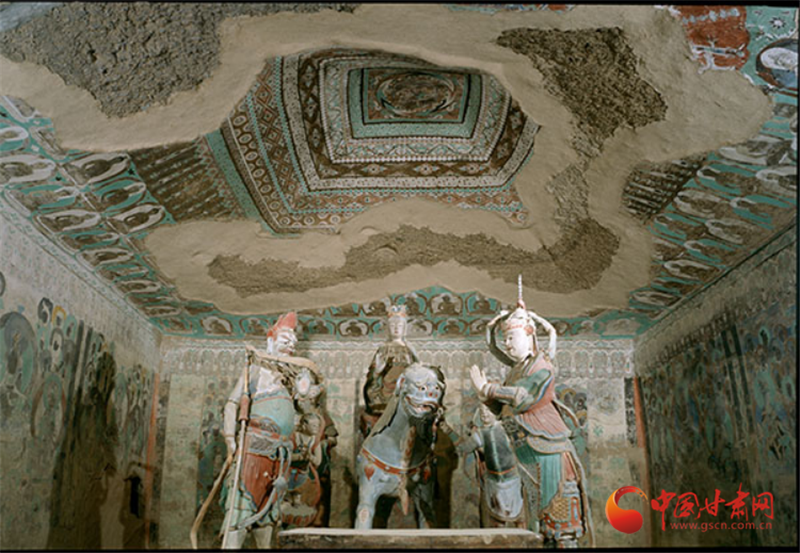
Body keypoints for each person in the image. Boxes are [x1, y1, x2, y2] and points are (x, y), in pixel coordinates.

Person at [468, 278, 594, 548]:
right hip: (522, 445)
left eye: (511, 337)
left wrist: (489, 389)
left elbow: (524, 398)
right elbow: (505, 409)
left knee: (556, 524)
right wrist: (486, 400)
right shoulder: (516, 371)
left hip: (546, 447)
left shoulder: (541, 366)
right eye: (505, 338)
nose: (507, 344)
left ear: (529, 337)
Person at [219, 312, 318, 549]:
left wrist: (306, 393)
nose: (291, 344)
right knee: (241, 510)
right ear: (271, 340)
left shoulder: (289, 378)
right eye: (285, 339)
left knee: (268, 515)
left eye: (293, 341)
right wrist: (230, 439)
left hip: (281, 456)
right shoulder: (255, 370)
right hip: (254, 451)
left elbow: (304, 410)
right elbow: (232, 403)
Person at [360, 305, 419, 437]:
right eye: (393, 325)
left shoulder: (409, 349)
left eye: (399, 325)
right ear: (388, 328)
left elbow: (417, 369)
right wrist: (377, 370)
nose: (396, 328)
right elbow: (373, 374)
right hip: (386, 388)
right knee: (374, 394)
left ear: (404, 328)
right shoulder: (383, 349)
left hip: (405, 387)